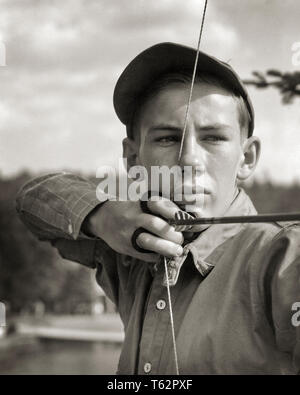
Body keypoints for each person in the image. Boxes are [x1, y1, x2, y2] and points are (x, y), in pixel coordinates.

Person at [16, 42, 300, 374]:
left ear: (247, 158)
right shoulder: (128, 249)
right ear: (134, 159)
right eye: (167, 138)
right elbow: (32, 199)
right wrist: (104, 216)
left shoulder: (282, 256)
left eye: (213, 138)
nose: (189, 159)